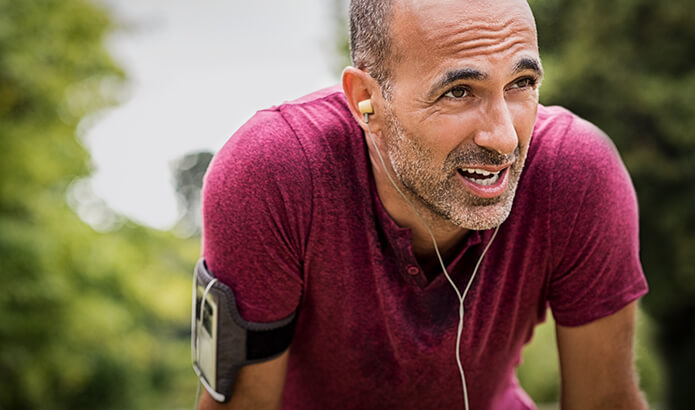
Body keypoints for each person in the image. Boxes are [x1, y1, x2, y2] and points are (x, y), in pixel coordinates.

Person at [197, 0, 649, 408]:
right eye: (459, 91)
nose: (504, 138)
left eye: (521, 83)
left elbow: (605, 401)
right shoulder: (274, 172)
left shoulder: (577, 173)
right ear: (366, 100)